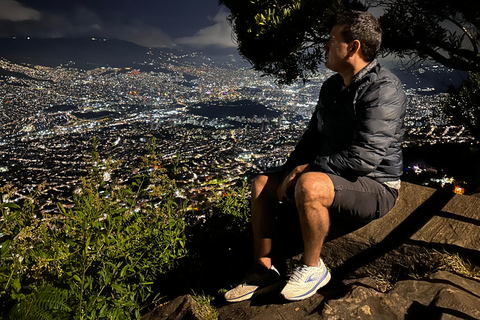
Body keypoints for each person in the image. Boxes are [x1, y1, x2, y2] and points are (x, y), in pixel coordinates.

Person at [225, 10, 407, 302]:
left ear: (353, 47)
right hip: (334, 174)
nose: (324, 45)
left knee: (309, 185)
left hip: (374, 183)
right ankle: (265, 269)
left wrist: (307, 171)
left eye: (331, 39)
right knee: (261, 183)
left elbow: (366, 158)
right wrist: (287, 173)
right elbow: (312, 138)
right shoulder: (332, 87)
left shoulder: (384, 89)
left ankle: (313, 267)